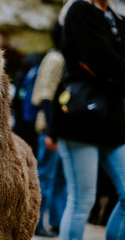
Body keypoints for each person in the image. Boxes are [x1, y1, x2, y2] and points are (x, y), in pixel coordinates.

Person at [46, 0, 125, 239]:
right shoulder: (79, 10)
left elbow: (108, 64)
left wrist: (110, 71)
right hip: (80, 116)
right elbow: (102, 60)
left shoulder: (117, 18)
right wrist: (110, 70)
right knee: (82, 200)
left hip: (113, 120)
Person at [31, 21, 67, 237]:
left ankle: (57, 220)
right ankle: (36, 221)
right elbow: (45, 95)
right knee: (45, 177)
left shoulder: (62, 57)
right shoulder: (55, 58)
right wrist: (51, 132)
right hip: (49, 129)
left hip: (60, 131)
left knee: (61, 179)